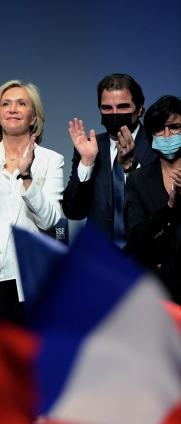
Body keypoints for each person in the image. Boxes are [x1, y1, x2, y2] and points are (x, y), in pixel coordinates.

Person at [0, 79, 64, 324]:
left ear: (33, 118)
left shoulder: (51, 160)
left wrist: (26, 176)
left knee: (28, 359)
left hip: (32, 279)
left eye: (21, 104)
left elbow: (49, 219)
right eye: (5, 104)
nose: (13, 109)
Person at [62, 73, 158, 249]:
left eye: (122, 107)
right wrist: (87, 162)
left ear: (139, 108)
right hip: (101, 263)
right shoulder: (89, 147)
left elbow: (160, 207)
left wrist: (132, 166)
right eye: (107, 108)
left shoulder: (158, 146)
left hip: (148, 259)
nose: (115, 114)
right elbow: (73, 211)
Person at [126, 96, 181, 304]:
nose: (167, 135)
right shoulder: (138, 180)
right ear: (151, 135)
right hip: (157, 297)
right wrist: (169, 209)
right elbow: (137, 241)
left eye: (175, 127)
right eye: (160, 129)